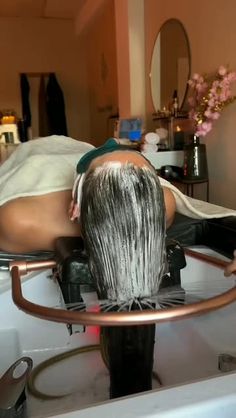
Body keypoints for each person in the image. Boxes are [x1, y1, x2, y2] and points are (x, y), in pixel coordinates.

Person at [0, 138, 175, 254]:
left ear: (74, 207)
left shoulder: (18, 220)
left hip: (36, 151)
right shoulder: (164, 203)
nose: (110, 142)